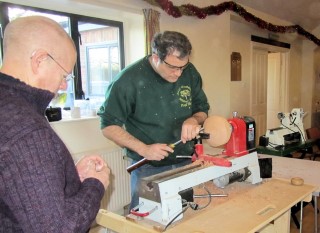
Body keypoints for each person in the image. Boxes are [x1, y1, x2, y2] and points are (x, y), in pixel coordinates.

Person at [0, 16, 110, 233]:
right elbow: (59, 228)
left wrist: (65, 178)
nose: (63, 85)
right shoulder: (28, 131)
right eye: (64, 74)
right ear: (39, 60)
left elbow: (17, 191)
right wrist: (94, 184)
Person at [98, 31, 210, 209]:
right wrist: (144, 149)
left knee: (185, 216)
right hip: (148, 167)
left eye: (183, 67)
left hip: (185, 161)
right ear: (156, 57)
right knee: (146, 222)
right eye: (173, 67)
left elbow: (202, 110)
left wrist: (194, 120)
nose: (179, 74)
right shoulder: (128, 80)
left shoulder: (190, 72)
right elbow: (108, 126)